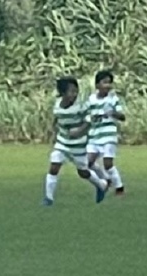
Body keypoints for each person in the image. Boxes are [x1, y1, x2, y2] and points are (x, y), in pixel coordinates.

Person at [43, 77, 108, 206]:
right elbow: (57, 118)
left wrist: (79, 131)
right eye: (71, 91)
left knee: (82, 172)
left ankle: (101, 185)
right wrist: (52, 131)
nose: (74, 94)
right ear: (62, 93)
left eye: (76, 91)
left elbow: (90, 119)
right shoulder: (57, 104)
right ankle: (48, 198)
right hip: (62, 143)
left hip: (78, 145)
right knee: (54, 166)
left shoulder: (80, 107)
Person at [85, 69, 127, 196]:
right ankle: (106, 179)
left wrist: (113, 113)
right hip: (94, 136)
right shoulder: (91, 99)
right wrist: (90, 118)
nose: (107, 85)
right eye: (104, 82)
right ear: (97, 85)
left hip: (108, 136)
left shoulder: (113, 100)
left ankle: (119, 187)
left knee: (108, 163)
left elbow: (122, 117)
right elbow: (86, 114)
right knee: (87, 163)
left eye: (109, 83)